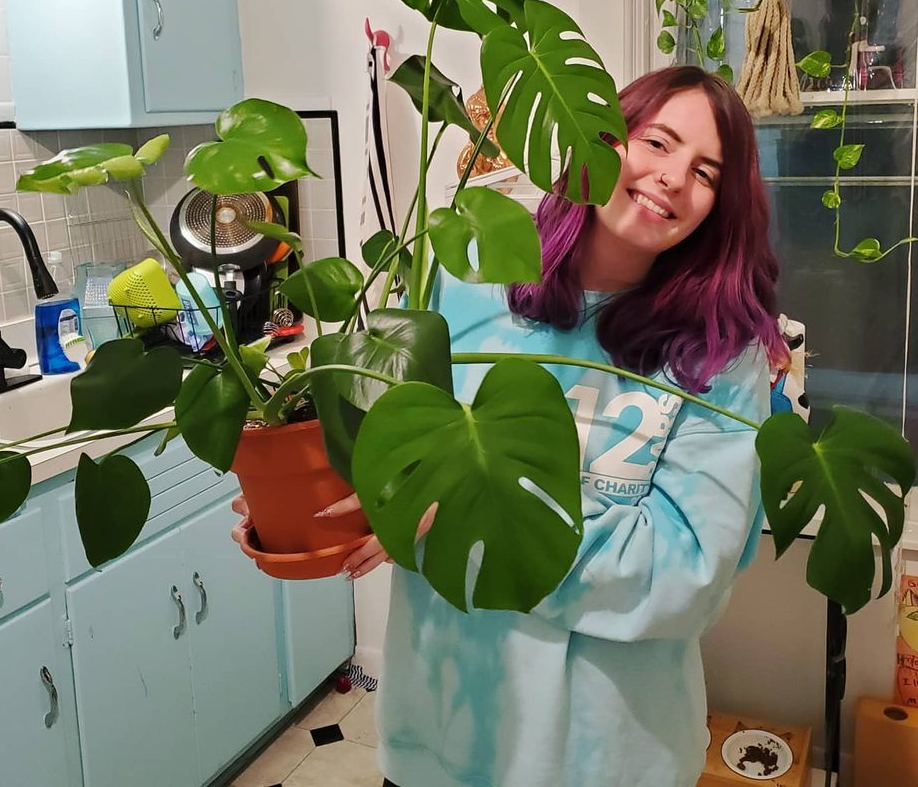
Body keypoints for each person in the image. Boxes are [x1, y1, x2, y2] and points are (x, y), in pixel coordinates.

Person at [232, 65, 789, 787]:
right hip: (442, 734)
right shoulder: (467, 281)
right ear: (602, 140)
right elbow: (395, 459)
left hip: (610, 756)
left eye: (707, 172)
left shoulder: (721, 355)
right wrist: (307, 490)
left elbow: (687, 571)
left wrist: (468, 519)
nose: (674, 177)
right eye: (657, 142)